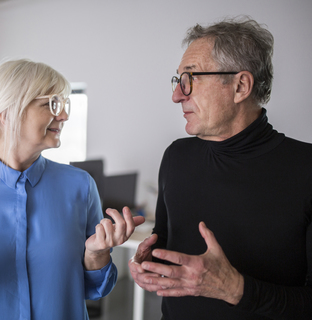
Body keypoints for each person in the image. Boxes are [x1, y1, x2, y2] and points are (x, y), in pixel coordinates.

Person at [0, 59, 145, 320]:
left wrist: (97, 254)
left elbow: (94, 289)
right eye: (51, 104)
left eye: (65, 105)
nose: (64, 115)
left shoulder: (80, 186)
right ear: (8, 111)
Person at [129, 16, 312, 319]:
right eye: (178, 80)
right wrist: (150, 262)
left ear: (240, 86)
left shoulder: (306, 169)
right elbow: (164, 239)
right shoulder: (176, 156)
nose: (177, 95)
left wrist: (235, 289)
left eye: (191, 78)